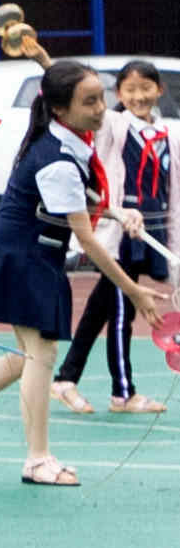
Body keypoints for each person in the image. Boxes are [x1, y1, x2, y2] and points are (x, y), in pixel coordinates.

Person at [0, 61, 128, 485]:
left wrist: (121, 214)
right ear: (61, 109)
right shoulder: (56, 158)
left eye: (101, 98)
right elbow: (86, 239)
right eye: (89, 101)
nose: (101, 108)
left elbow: (77, 200)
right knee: (40, 356)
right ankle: (37, 460)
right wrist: (132, 290)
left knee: (24, 356)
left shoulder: (64, 142)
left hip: (25, 253)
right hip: (24, 258)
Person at [55, 63, 169, 416]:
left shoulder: (167, 133)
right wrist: (43, 60)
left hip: (148, 231)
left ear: (159, 90)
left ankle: (65, 379)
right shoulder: (114, 125)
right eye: (130, 89)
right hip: (118, 232)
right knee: (122, 312)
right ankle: (123, 393)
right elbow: (80, 103)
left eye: (146, 87)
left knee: (100, 308)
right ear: (118, 94)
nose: (138, 96)